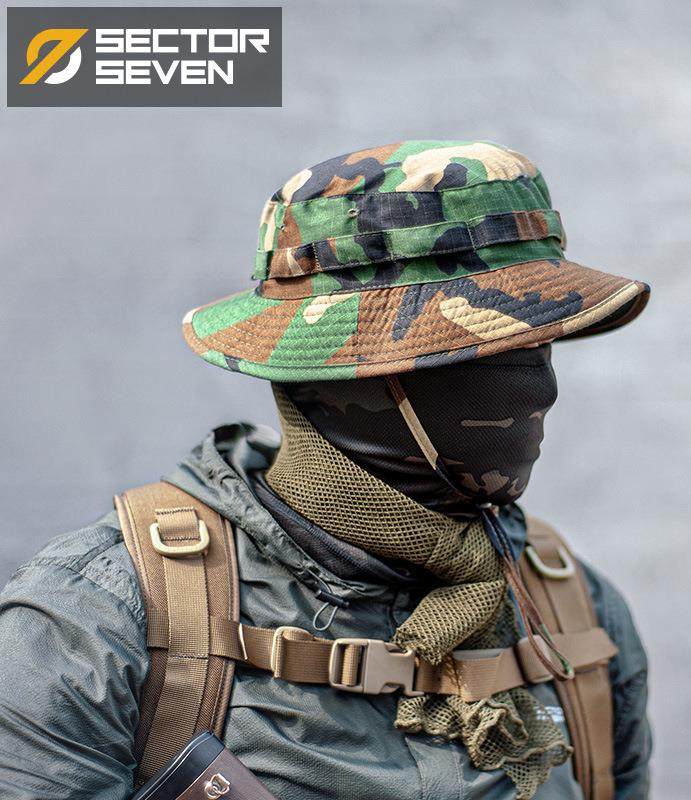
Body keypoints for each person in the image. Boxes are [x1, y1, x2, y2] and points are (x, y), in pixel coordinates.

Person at [0, 140, 652, 800]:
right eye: (484, 358)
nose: (541, 393)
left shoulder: (571, 608)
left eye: (540, 348)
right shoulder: (97, 623)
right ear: (344, 378)